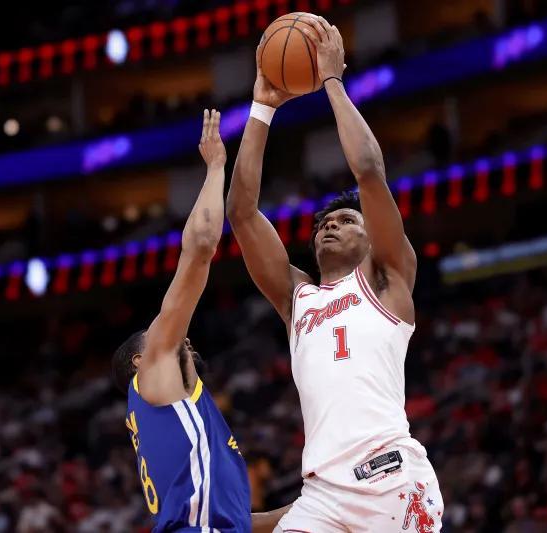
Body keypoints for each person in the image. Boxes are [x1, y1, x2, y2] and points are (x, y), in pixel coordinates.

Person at [227, 16, 444, 533]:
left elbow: (368, 170)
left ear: (372, 237)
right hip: (321, 495)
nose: (330, 226)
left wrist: (331, 82)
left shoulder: (388, 278)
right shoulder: (296, 298)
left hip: (392, 477)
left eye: (347, 221)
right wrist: (262, 108)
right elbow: (241, 213)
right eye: (324, 223)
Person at [112, 110, 288, 533]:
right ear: (140, 361)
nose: (179, 337)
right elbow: (201, 246)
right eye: (157, 335)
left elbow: (234, 522)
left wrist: (314, 508)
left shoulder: (178, 417)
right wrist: (215, 167)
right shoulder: (154, 372)